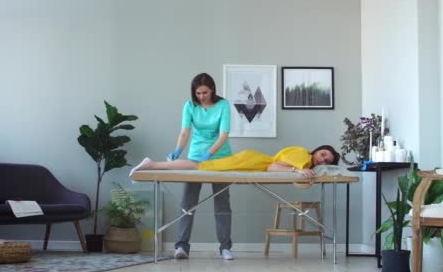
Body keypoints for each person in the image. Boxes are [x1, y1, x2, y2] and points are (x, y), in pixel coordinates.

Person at [163, 73, 234, 261]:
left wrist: (209, 154)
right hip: (195, 158)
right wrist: (178, 150)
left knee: (222, 205)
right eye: (198, 93)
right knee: (187, 203)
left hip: (220, 159)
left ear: (212, 90)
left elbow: (223, 134)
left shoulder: (223, 105)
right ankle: (181, 246)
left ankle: (225, 248)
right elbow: (185, 131)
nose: (201, 96)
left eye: (204, 92)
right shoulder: (190, 106)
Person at [130, 145, 340, 178]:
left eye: (326, 161)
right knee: (199, 166)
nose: (322, 160)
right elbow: (272, 167)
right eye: (323, 154)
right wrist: (297, 171)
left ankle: (152, 164)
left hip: (251, 160)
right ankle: (152, 164)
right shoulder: (303, 155)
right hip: (251, 161)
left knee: (200, 166)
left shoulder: (305, 161)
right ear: (317, 150)